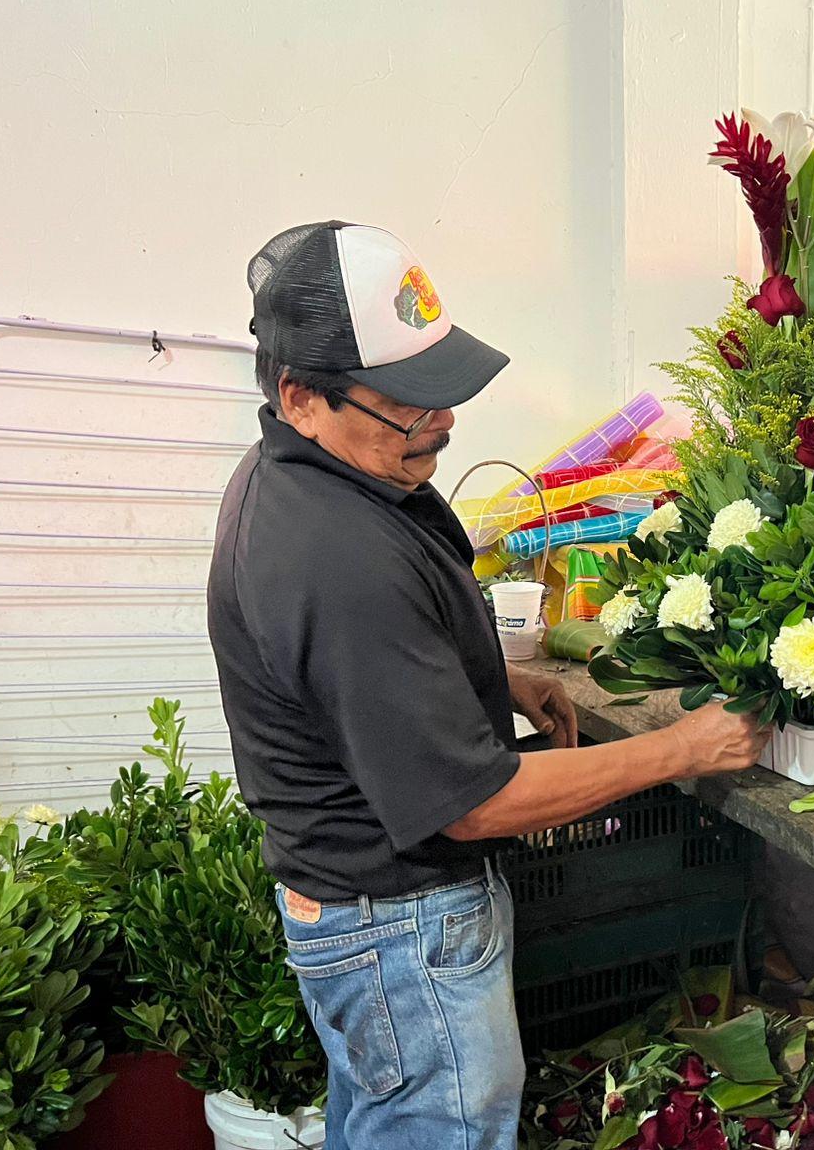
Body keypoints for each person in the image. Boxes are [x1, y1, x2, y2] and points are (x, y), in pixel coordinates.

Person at [207, 221, 769, 1150]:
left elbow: (354, 670)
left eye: (444, 392)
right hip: (400, 936)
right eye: (408, 405)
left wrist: (488, 675)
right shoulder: (331, 554)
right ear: (301, 397)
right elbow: (471, 805)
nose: (444, 421)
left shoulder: (313, 474)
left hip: (361, 922)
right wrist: (679, 749)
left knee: (385, 1124)